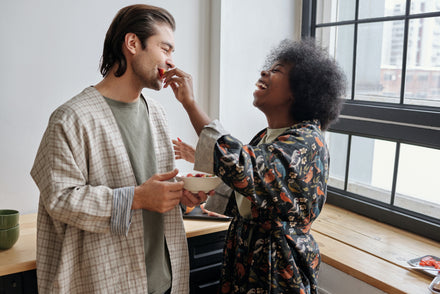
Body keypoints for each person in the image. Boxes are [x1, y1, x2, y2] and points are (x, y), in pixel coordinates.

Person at [30, 4, 204, 293]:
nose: (171, 62)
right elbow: (60, 200)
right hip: (107, 280)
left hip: (164, 280)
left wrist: (180, 196)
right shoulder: (71, 117)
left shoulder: (156, 113)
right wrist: (136, 199)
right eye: (166, 49)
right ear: (133, 43)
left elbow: (151, 188)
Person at [167, 39, 346, 293]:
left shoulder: (307, 141)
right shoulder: (266, 136)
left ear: (298, 90)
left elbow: (241, 164)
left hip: (278, 268)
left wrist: (190, 103)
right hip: (247, 257)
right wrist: (206, 191)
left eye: (277, 70)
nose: (264, 72)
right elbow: (252, 190)